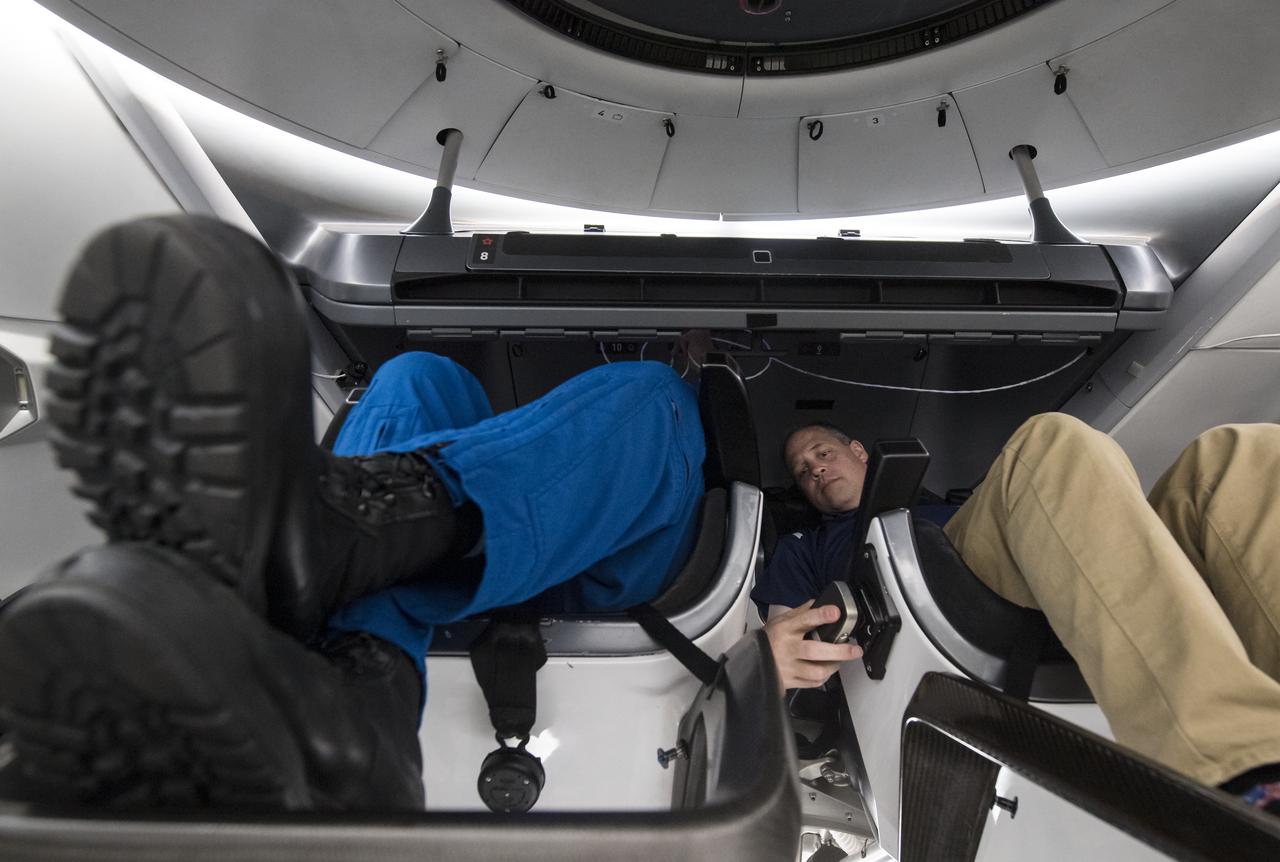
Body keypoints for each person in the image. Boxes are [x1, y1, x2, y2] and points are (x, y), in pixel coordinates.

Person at [0, 215, 857, 810]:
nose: (812, 465)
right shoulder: (822, 546)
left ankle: (345, 567)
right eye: (809, 454)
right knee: (416, 379)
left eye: (813, 460)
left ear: (863, 458)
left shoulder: (838, 539)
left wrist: (761, 666)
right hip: (509, 561)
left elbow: (812, 701)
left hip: (612, 585)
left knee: (643, 397)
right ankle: (360, 666)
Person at [752, 417, 1280, 814]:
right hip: (931, 600)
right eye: (803, 472)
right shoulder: (806, 547)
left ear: (860, 452)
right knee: (1047, 446)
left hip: (1066, 572)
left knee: (1236, 458)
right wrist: (772, 665)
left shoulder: (947, 503)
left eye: (822, 452)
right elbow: (784, 644)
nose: (816, 468)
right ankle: (1246, 771)